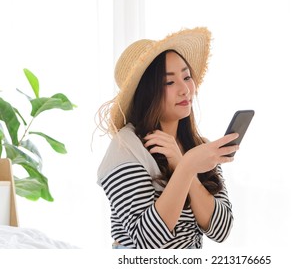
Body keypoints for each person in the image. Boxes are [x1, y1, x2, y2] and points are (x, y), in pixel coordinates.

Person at [96, 27, 239, 249]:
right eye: (169, 82)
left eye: (186, 76)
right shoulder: (126, 146)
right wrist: (186, 167)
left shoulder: (198, 147)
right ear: (146, 93)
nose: (185, 89)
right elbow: (147, 241)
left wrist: (184, 163)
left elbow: (222, 229)